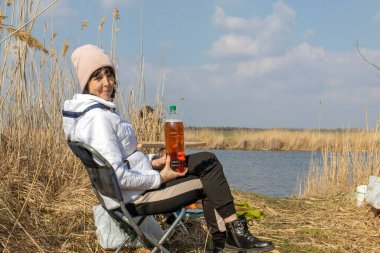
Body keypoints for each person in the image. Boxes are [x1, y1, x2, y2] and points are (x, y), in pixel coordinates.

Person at [62, 44, 274, 253]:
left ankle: (228, 238)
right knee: (208, 178)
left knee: (207, 161)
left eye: (109, 75)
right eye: (98, 78)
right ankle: (229, 238)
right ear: (86, 83)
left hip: (132, 191)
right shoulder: (97, 120)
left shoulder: (96, 113)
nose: (107, 83)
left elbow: (121, 160)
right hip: (134, 199)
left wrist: (154, 161)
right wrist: (161, 177)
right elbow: (118, 177)